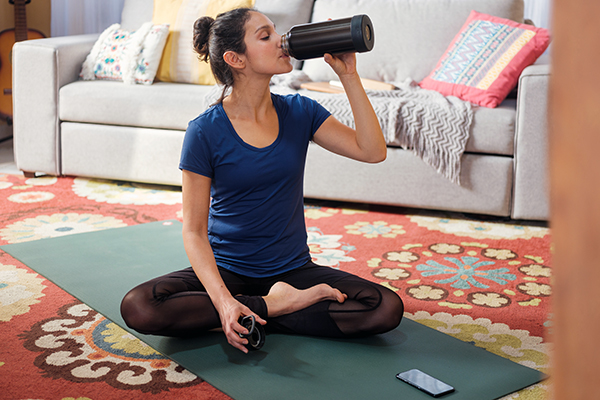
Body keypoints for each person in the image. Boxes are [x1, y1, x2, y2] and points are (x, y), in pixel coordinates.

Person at [120, 7, 403, 353]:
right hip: (228, 268)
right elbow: (193, 231)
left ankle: (247, 311)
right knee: (139, 306)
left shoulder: (301, 111)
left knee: (385, 308)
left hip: (293, 270)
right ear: (235, 59)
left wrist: (349, 75)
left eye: (276, 31)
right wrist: (224, 300)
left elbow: (372, 150)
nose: (281, 41)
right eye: (265, 36)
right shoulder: (204, 131)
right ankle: (276, 307)